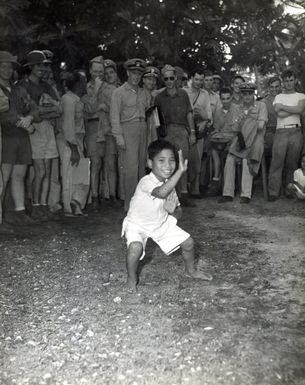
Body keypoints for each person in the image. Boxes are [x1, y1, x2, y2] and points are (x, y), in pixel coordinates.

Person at [122, 139, 213, 291]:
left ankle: (191, 271)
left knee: (188, 243)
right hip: (137, 224)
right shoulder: (146, 181)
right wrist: (180, 171)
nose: (168, 165)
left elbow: (179, 212)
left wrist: (173, 212)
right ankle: (131, 278)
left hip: (159, 223)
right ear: (150, 164)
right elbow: (161, 192)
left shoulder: (170, 186)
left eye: (172, 161)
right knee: (135, 248)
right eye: (161, 161)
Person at [19, 50, 61, 221]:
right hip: (34, 131)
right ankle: (35, 205)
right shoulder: (22, 85)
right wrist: (42, 111)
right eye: (37, 66)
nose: (41, 69)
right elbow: (28, 112)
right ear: (30, 67)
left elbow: (58, 110)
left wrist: (40, 112)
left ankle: (43, 205)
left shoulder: (47, 86)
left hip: (47, 128)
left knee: (48, 170)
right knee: (40, 171)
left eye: (43, 66)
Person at [0, 51, 39, 226]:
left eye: (10, 67)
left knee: (19, 175)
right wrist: (21, 122)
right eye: (3, 66)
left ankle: (19, 211)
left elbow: (33, 107)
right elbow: (5, 116)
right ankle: (3, 215)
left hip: (21, 138)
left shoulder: (18, 89)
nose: (7, 70)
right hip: (6, 137)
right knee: (4, 177)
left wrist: (29, 118)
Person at [110, 58, 149, 212]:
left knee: (141, 168)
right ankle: (130, 205)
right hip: (128, 129)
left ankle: (142, 204)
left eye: (139, 74)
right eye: (133, 73)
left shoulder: (143, 92)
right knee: (130, 169)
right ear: (127, 73)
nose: (136, 77)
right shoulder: (118, 92)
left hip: (142, 129)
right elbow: (114, 116)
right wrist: (119, 136)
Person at [219, 82, 268, 203]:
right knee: (230, 160)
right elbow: (235, 128)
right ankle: (227, 194)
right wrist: (241, 121)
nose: (247, 96)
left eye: (250, 93)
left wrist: (248, 121)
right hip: (241, 140)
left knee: (247, 159)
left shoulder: (261, 106)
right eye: (244, 93)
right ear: (241, 94)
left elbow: (261, 126)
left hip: (256, 139)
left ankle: (246, 194)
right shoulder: (237, 108)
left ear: (253, 94)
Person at [155, 64, 196, 207]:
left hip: (181, 130)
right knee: (168, 163)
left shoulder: (183, 94)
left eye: (171, 78)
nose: (169, 81)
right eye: (166, 79)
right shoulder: (159, 97)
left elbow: (189, 114)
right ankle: (170, 195)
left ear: (176, 78)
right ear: (163, 80)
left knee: (182, 162)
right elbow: (156, 118)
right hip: (166, 133)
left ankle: (184, 193)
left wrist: (192, 132)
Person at [268, 69, 305, 200]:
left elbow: (300, 109)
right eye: (286, 81)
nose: (289, 83)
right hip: (281, 131)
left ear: (295, 80)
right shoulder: (279, 97)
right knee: (277, 162)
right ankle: (273, 191)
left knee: (292, 163)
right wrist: (295, 110)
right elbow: (280, 113)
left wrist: (286, 107)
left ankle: (289, 190)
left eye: (291, 80)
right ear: (283, 82)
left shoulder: (301, 96)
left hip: (296, 131)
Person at [57, 71, 89, 216]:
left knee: (81, 174)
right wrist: (73, 148)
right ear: (77, 84)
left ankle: (76, 204)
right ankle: (67, 206)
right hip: (69, 143)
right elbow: (68, 125)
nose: (85, 85)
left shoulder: (77, 99)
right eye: (83, 82)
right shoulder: (68, 99)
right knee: (69, 174)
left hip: (78, 141)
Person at [183, 66, 212, 197]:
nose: (199, 82)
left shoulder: (205, 95)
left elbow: (209, 116)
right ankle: (184, 189)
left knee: (197, 160)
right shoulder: (183, 92)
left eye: (201, 80)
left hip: (199, 131)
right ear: (191, 79)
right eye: (196, 79)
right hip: (185, 130)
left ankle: (195, 189)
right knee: (184, 160)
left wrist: (204, 122)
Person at [208, 87, 241, 196]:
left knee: (229, 150)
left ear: (231, 98)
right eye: (223, 99)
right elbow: (217, 128)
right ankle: (216, 179)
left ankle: (226, 184)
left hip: (233, 139)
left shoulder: (238, 109)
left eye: (228, 98)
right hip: (222, 139)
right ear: (220, 99)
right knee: (213, 149)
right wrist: (215, 134)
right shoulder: (218, 112)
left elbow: (239, 130)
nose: (226, 101)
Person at [98, 59, 121, 205]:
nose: (109, 75)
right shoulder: (102, 89)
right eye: (106, 74)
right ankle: (110, 194)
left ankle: (117, 193)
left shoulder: (122, 88)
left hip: (120, 130)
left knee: (119, 164)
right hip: (108, 130)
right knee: (109, 164)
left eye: (111, 72)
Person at [84, 56, 105, 209]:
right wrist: (96, 91)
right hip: (93, 128)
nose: (98, 74)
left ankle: (106, 195)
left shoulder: (109, 86)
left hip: (107, 128)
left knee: (108, 163)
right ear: (90, 71)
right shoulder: (86, 88)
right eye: (95, 71)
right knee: (95, 163)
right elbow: (89, 110)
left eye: (100, 71)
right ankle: (94, 196)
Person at [262, 76, 282, 155]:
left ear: (280, 86)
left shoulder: (285, 99)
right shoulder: (264, 103)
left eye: (276, 86)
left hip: (285, 130)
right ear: (268, 88)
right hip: (270, 132)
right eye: (272, 87)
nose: (274, 89)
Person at [142, 65, 160, 146]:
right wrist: (152, 99)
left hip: (154, 130)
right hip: (142, 129)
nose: (151, 82)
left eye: (154, 80)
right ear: (143, 80)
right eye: (149, 79)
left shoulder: (157, 94)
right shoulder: (139, 94)